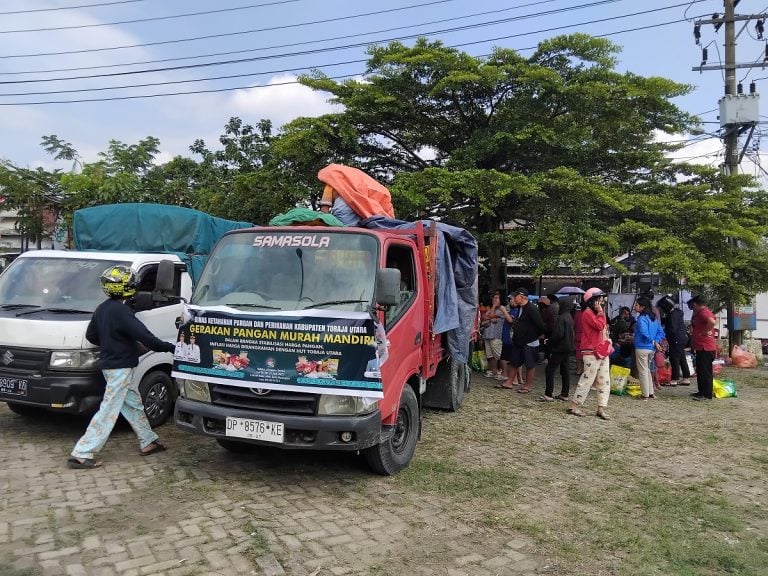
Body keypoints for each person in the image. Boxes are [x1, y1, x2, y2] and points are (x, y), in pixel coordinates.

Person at [67, 265, 176, 469]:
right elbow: (146, 337)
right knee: (109, 409)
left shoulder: (103, 308)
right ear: (129, 287)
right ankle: (83, 452)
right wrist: (171, 348)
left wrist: (113, 340)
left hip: (110, 365)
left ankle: (148, 441)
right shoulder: (123, 311)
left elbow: (92, 336)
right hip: (120, 367)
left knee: (132, 403)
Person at [567, 287, 611, 420]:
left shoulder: (596, 313)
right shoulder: (588, 313)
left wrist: (600, 313)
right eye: (599, 299)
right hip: (591, 351)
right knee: (587, 379)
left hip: (602, 350)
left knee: (604, 380)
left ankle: (601, 408)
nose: (601, 301)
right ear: (592, 301)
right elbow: (599, 326)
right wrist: (601, 312)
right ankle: (574, 405)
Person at [500, 288, 545, 394]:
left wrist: (536, 335)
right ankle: (509, 381)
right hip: (519, 340)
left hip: (529, 341)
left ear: (522, 296)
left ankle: (527, 385)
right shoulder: (520, 308)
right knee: (515, 362)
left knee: (530, 364)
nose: (514, 299)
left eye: (515, 296)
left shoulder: (532, 309)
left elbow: (540, 324)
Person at [541, 296, 575, 402]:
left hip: (560, 347)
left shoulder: (561, 317)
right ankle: (565, 394)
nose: (557, 306)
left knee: (549, 369)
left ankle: (548, 394)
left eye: (559, 304)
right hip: (568, 347)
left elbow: (558, 334)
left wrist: (549, 342)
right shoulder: (569, 316)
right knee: (565, 370)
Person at [633, 297, 666, 400]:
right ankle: (650, 392)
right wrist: (655, 341)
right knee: (647, 370)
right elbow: (661, 332)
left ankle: (644, 395)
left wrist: (652, 341)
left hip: (642, 347)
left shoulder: (641, 318)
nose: (635, 306)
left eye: (637, 305)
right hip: (651, 348)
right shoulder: (654, 319)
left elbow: (644, 332)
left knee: (643, 371)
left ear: (642, 307)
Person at [657, 295, 691, 386]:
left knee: (674, 358)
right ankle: (686, 378)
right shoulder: (677, 312)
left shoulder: (672, 315)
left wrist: (664, 334)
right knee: (681, 358)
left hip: (676, 339)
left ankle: (674, 379)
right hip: (682, 338)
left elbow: (672, 328)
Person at [687, 294, 717, 400]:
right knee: (700, 370)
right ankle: (701, 391)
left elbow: (712, 322)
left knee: (705, 371)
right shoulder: (699, 313)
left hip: (706, 347)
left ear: (695, 304)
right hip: (700, 347)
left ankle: (707, 394)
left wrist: (705, 331)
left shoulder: (704, 312)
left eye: (693, 306)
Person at [480, 291, 506, 380]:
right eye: (493, 298)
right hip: (487, 335)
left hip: (496, 336)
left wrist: (493, 308)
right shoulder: (490, 309)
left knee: (499, 355)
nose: (494, 300)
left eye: (496, 298)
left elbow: (490, 316)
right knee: (490, 355)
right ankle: (494, 371)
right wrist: (490, 318)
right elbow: (484, 317)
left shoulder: (502, 309)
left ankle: (503, 372)